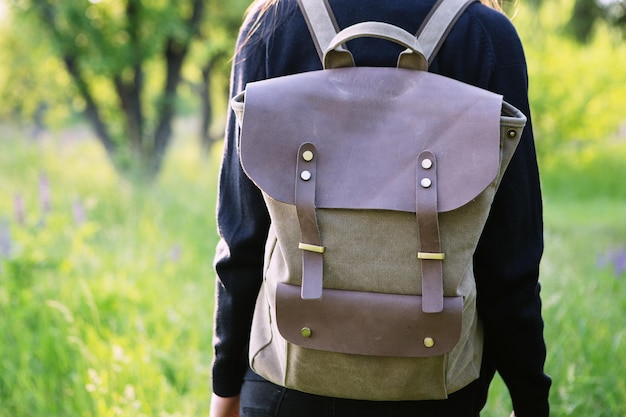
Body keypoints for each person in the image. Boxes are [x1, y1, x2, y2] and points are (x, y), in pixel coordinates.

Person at [210, 0, 551, 416]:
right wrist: (530, 396)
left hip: (287, 384)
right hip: (436, 387)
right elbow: (511, 259)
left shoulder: (272, 24)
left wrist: (224, 389)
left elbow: (240, 239)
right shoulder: (485, 34)